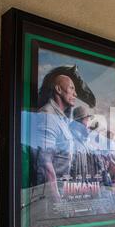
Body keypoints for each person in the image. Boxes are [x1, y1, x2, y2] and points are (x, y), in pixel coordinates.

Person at [34, 66, 83, 202]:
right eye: (72, 88)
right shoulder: (48, 116)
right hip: (50, 198)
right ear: (58, 89)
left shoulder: (61, 119)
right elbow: (45, 164)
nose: (76, 94)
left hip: (62, 192)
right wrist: (57, 201)